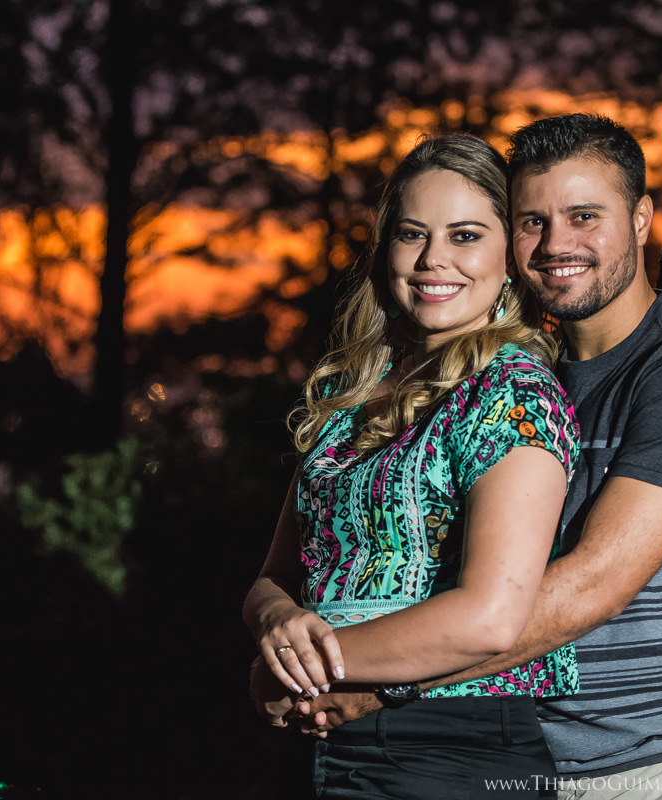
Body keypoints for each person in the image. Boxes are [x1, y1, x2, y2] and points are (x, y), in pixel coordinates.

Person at [281, 114, 662, 799]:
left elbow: (594, 584)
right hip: (533, 759)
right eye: (532, 222)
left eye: (584, 217)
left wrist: (376, 681)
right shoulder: (518, 380)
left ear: (640, 219)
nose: (556, 244)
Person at [242, 133, 581, 799]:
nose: (433, 259)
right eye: (412, 234)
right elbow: (273, 578)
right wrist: (275, 625)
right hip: (327, 743)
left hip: (453, 746)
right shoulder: (352, 396)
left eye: (465, 236)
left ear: (509, 258)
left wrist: (303, 670)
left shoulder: (513, 396)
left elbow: (491, 617)